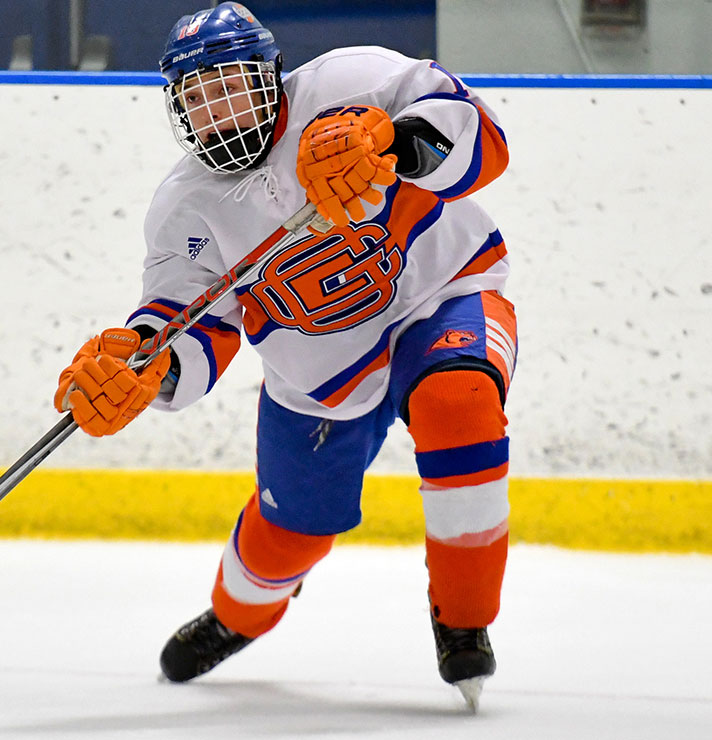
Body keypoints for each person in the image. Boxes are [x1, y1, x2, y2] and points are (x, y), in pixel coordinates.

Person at [52, 2, 515, 708]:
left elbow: (486, 140)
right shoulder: (188, 209)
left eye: (228, 85)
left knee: (461, 405)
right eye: (196, 99)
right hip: (320, 374)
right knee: (292, 531)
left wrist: (393, 141)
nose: (216, 110)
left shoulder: (352, 81)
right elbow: (190, 323)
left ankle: (464, 622)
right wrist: (148, 367)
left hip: (442, 290)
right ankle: (235, 616)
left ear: (270, 75)